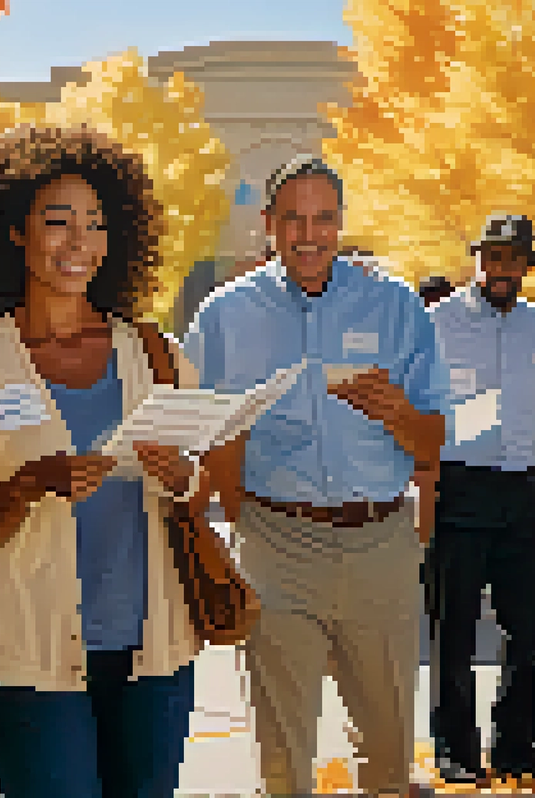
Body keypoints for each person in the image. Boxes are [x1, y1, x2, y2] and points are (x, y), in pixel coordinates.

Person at [0, 124, 220, 797]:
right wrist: (31, 484)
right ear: (14, 232)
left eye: (95, 224)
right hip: (30, 666)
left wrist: (185, 479)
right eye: (58, 222)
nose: (78, 242)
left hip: (155, 656)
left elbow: (201, 492)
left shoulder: (157, 354)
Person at [185, 154, 448, 797]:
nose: (310, 235)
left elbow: (435, 442)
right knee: (281, 758)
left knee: (387, 755)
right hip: (276, 543)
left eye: (323, 219)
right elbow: (191, 432)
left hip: (380, 543)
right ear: (269, 226)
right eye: (294, 220)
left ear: (341, 223)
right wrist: (218, 504)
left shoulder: (396, 307)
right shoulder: (223, 316)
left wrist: (400, 415)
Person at [425, 214, 535, 783]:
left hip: (521, 490)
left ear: (525, 267)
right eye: (491, 257)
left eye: (511, 259)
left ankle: (514, 746)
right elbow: (418, 403)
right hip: (460, 486)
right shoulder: (437, 322)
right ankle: (455, 750)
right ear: (478, 261)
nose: (499, 268)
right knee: (455, 625)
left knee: (528, 625)